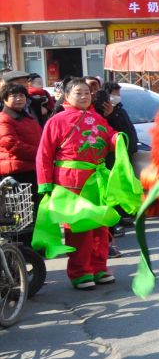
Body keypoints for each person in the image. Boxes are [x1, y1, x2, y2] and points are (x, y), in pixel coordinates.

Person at [35, 78, 117, 290]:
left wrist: (120, 139)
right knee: (79, 227)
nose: (84, 96)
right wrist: (45, 183)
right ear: (67, 95)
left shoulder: (98, 118)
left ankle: (99, 267)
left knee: (100, 225)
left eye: (87, 93)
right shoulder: (57, 120)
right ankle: (80, 272)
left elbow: (110, 137)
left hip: (96, 179)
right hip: (71, 179)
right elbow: (44, 153)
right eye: (78, 93)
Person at [0, 84, 44, 243]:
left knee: (32, 210)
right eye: (14, 96)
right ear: (5, 99)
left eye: (22, 96)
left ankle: (33, 244)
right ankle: (24, 247)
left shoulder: (26, 116)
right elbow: (11, 144)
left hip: (31, 168)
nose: (19, 99)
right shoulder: (4, 118)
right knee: (21, 212)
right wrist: (40, 153)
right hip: (16, 171)